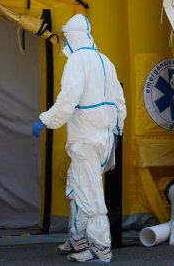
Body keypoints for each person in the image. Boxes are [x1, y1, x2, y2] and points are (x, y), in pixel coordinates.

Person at [32, 14, 126, 263]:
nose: (64, 43)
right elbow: (119, 101)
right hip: (103, 139)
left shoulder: (77, 61)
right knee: (77, 188)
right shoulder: (105, 60)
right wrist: (116, 130)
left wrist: (45, 120)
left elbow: (68, 99)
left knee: (91, 195)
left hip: (86, 139)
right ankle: (79, 239)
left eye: (65, 38)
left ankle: (101, 249)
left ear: (71, 37)